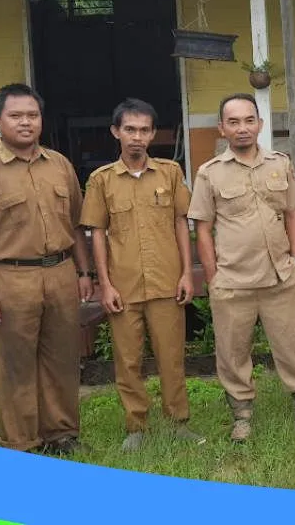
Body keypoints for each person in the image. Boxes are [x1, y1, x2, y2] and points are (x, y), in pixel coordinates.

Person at [0, 83, 95, 454]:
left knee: (62, 358)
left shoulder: (60, 165)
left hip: (61, 273)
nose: (25, 123)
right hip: (10, 277)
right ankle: (21, 442)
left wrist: (85, 272)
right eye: (15, 116)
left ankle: (61, 434)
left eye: (32, 115)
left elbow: (77, 226)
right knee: (15, 363)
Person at [187, 94, 295, 442]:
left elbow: (294, 211)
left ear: (260, 125)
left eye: (249, 120)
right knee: (233, 353)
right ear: (222, 128)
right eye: (233, 122)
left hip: (280, 276)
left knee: (293, 346)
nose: (242, 128)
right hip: (233, 281)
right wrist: (213, 275)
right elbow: (202, 227)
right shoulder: (210, 174)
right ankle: (242, 418)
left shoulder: (279, 163)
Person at [80, 98, 204, 451]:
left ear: (153, 134)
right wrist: (104, 284)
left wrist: (187, 273)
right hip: (123, 285)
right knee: (128, 360)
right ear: (116, 132)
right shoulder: (101, 180)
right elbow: (97, 234)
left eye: (144, 130)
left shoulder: (170, 172)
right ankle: (136, 426)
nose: (137, 137)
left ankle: (178, 421)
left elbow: (182, 223)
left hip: (167, 282)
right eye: (129, 130)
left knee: (171, 356)